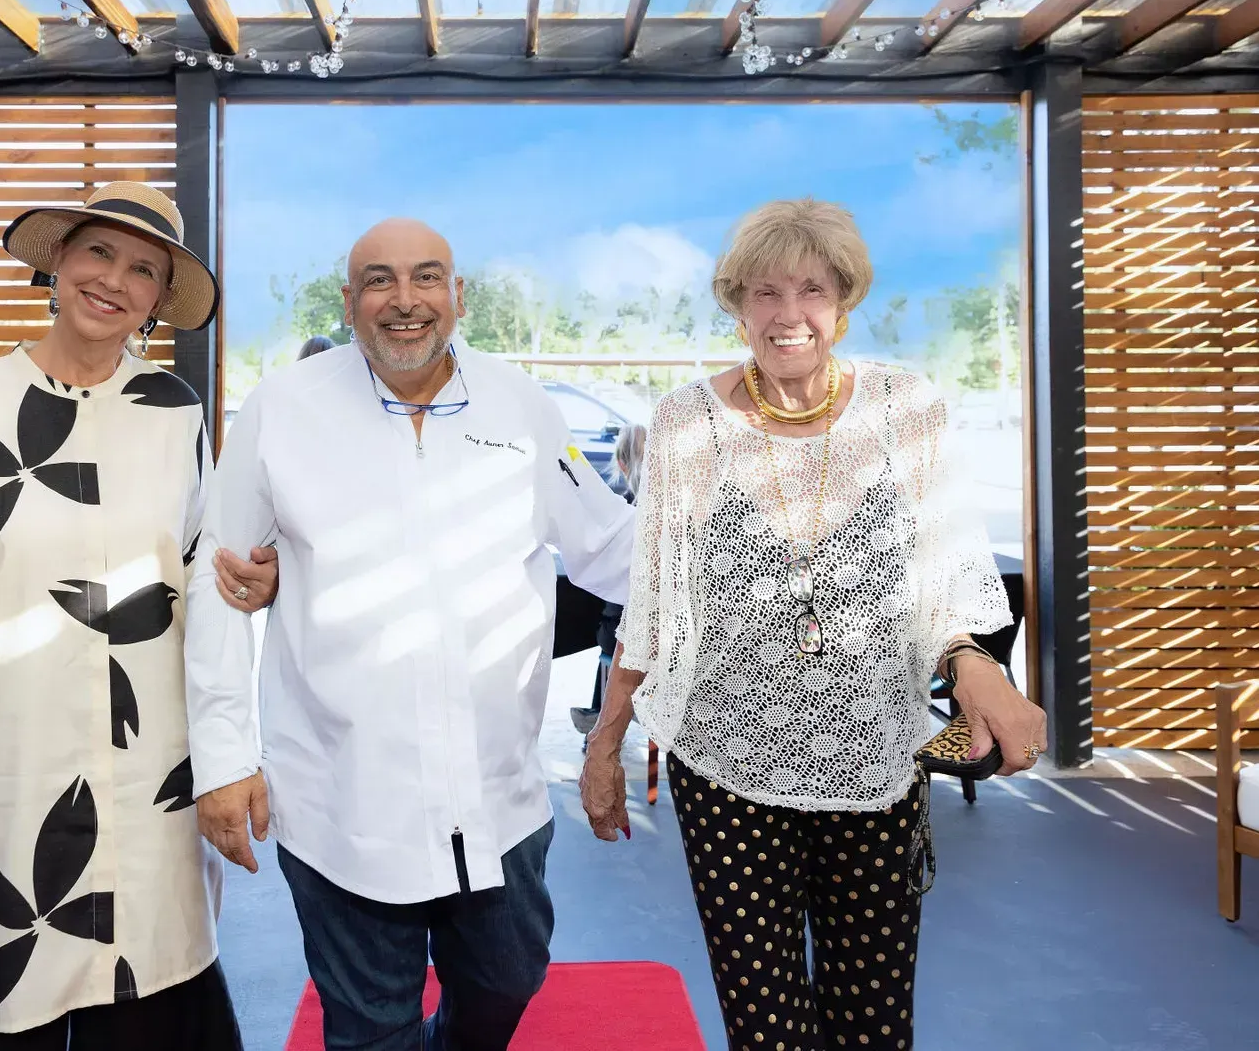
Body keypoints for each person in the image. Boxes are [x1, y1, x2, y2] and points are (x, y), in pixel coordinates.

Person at [0, 182, 281, 1049]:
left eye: (144, 269)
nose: (116, 280)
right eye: (99, 252)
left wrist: (257, 581)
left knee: (147, 986)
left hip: (146, 779)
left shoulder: (175, 413)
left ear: (156, 301)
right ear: (59, 263)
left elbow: (197, 574)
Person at [579, 198, 1046, 1051]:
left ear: (844, 301)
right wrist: (604, 746)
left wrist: (976, 666)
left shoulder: (909, 411)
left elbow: (943, 576)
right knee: (767, 1030)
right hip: (723, 763)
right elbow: (651, 611)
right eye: (764, 293)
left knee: (872, 1025)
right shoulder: (685, 423)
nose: (788, 315)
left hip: (876, 758)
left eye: (811, 291)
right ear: (737, 304)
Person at [184, 218, 635, 1050]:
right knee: (368, 1027)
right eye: (380, 281)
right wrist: (221, 758)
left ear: (457, 296)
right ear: (350, 302)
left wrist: (745, 581)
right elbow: (217, 583)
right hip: (339, 794)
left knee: (507, 982)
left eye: (427, 277)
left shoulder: (520, 404)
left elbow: (612, 548)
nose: (405, 300)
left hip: (496, 793)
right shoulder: (284, 410)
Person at [571, 421, 646, 739]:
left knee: (607, 623)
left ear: (621, 463)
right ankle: (600, 710)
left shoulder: (626, 512)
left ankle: (604, 713)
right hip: (668, 633)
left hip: (629, 636)